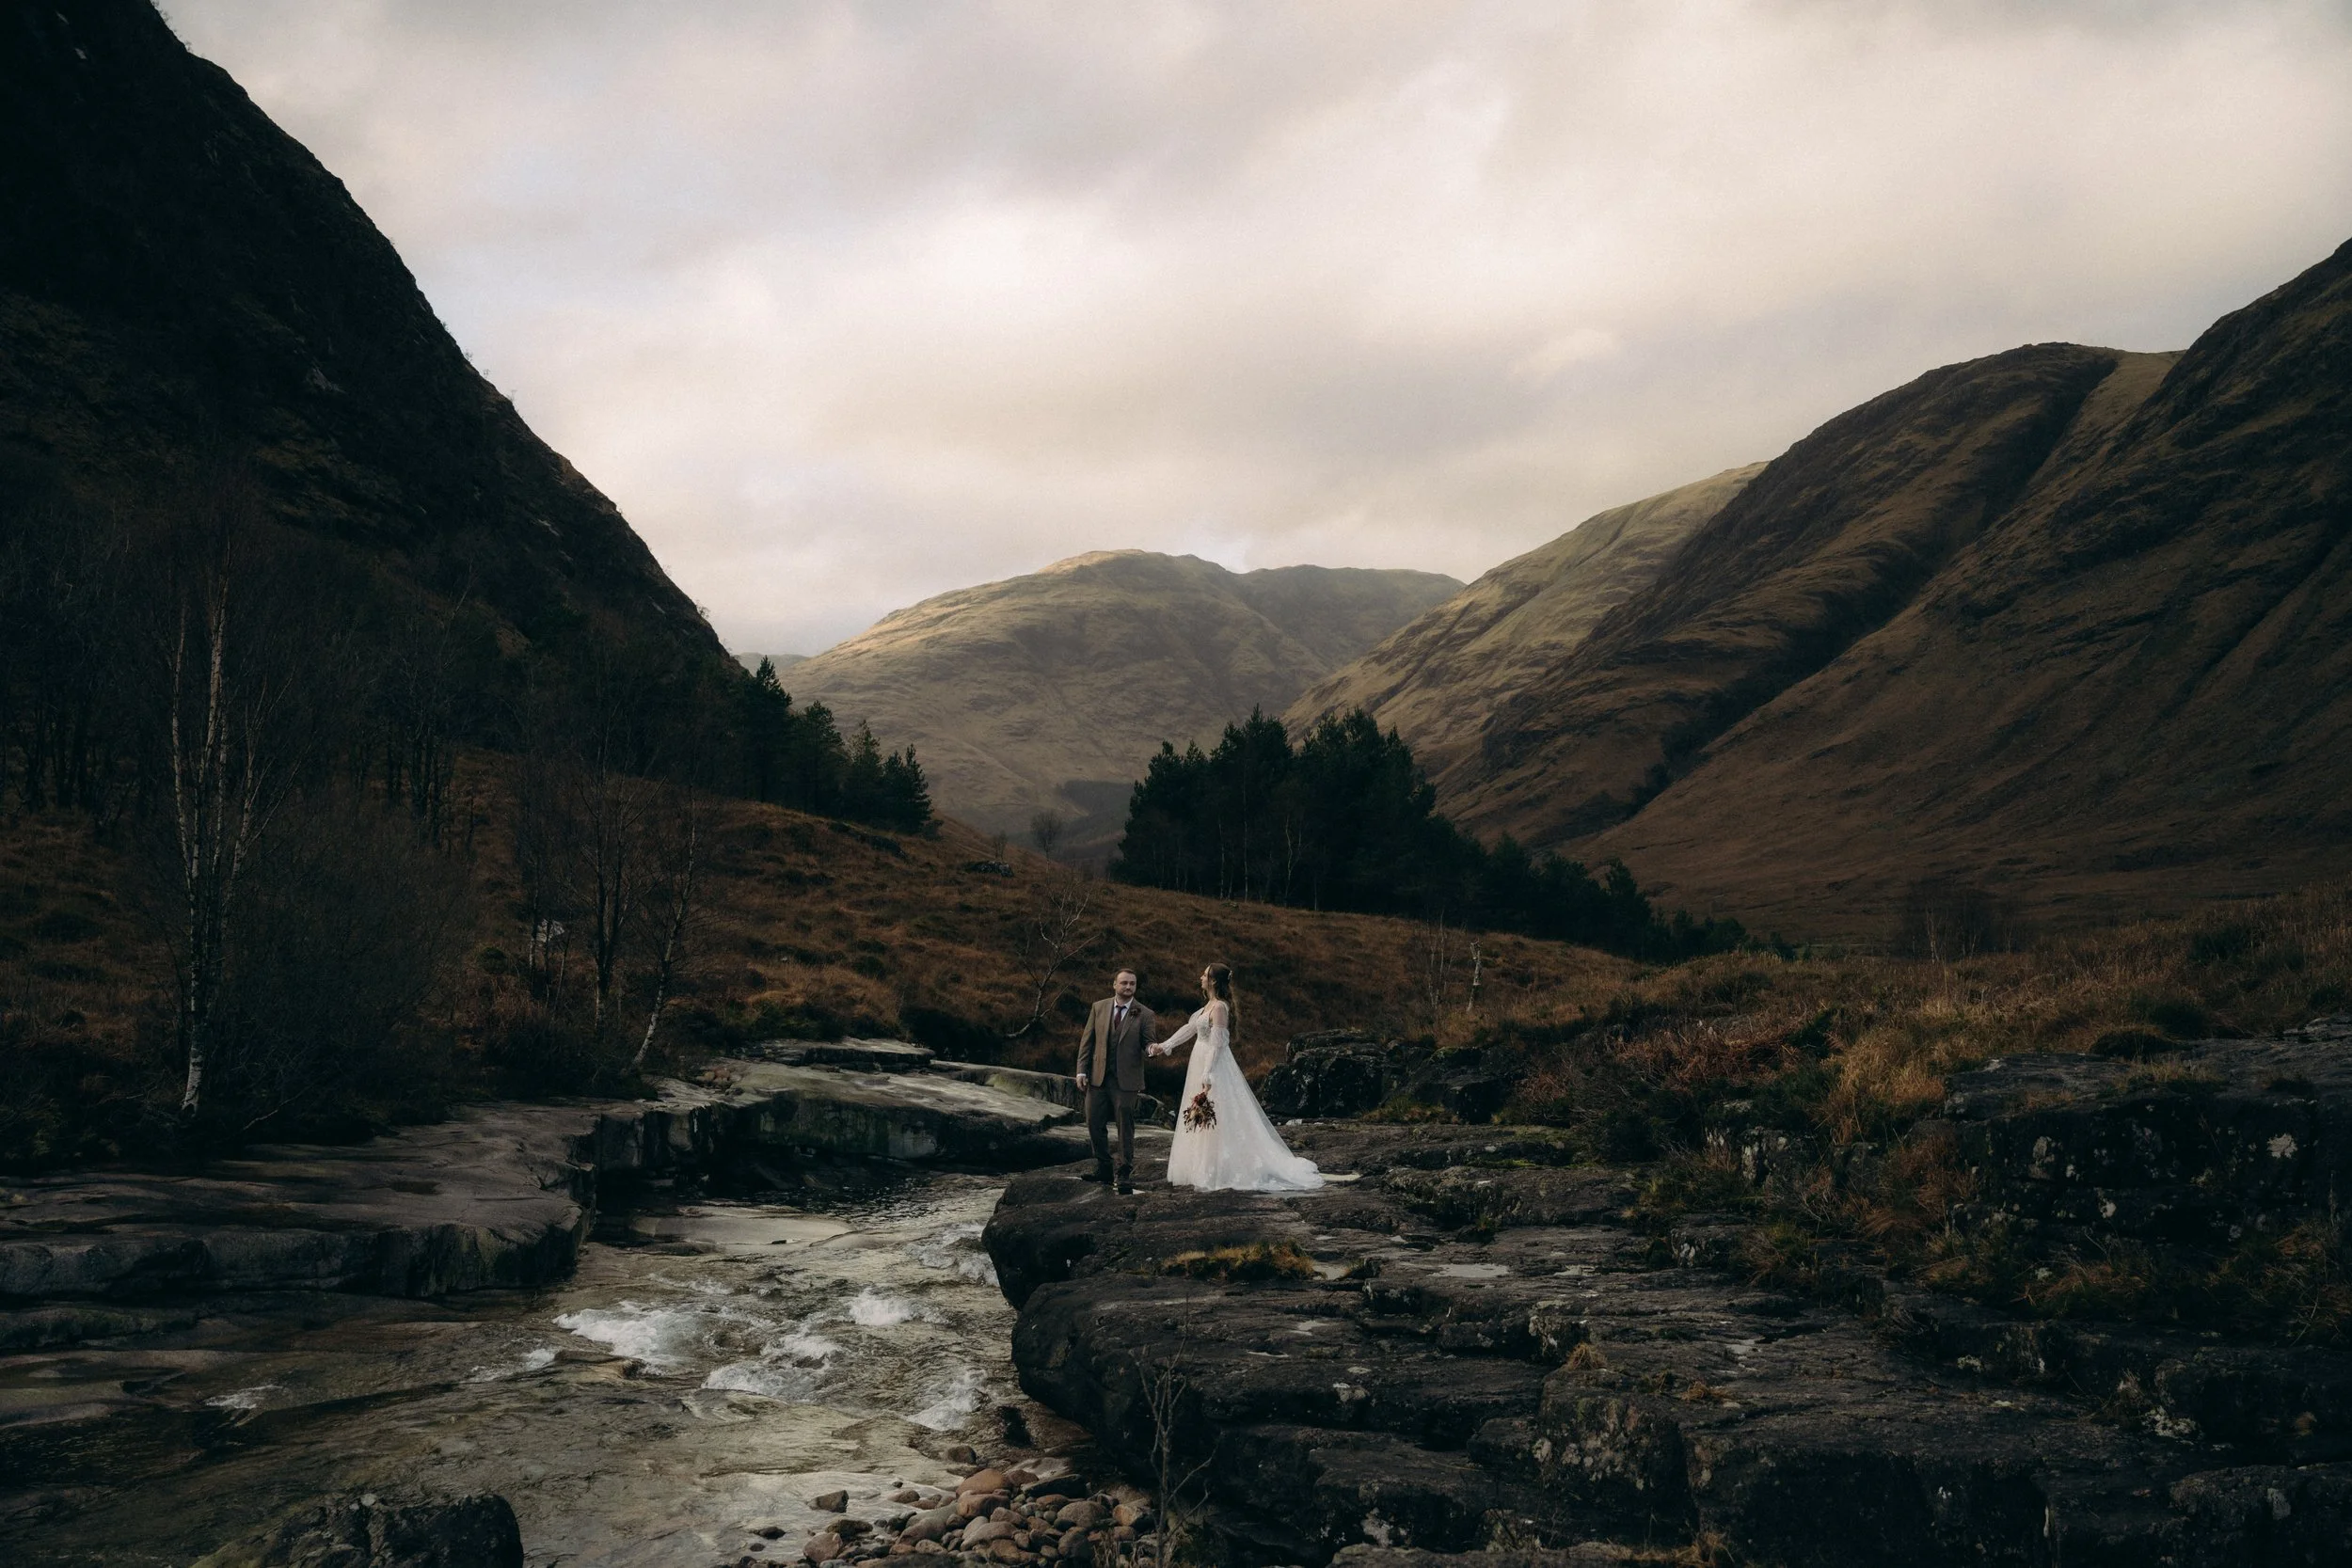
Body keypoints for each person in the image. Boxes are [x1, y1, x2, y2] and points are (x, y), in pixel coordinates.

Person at [1149, 962, 1322, 1192]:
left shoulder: (1219, 1007)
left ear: (1213, 981)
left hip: (1213, 1061)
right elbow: (1189, 1029)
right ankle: (1202, 1164)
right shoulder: (1207, 1006)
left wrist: (1208, 1072)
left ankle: (1221, 1166)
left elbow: (1218, 1043)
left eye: (1205, 974)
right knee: (1202, 1113)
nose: (1200, 977)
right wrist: (1165, 1045)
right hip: (1199, 1057)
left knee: (1217, 1111)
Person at [1074, 967, 1156, 1193]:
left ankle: (1124, 1173)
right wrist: (1082, 1071)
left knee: (1125, 1127)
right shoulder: (1098, 1007)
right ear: (1114, 985)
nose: (1128, 987)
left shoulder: (1144, 1013)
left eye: (1132, 984)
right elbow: (1087, 1042)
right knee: (1093, 1122)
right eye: (1124, 983)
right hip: (1097, 1077)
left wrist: (1152, 1049)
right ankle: (1103, 1167)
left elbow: (1148, 1043)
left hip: (1127, 1081)